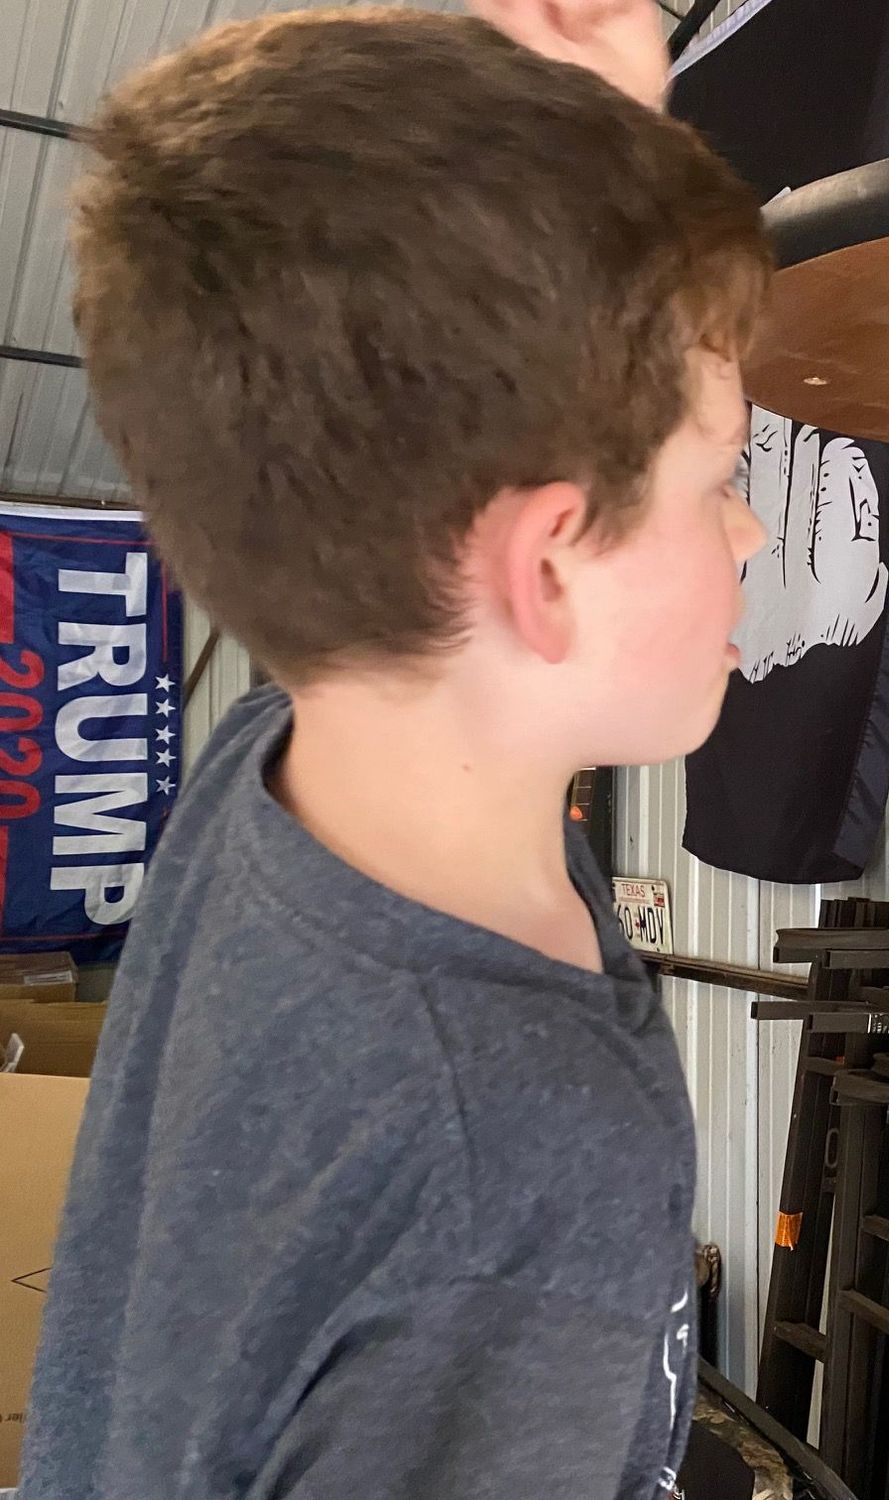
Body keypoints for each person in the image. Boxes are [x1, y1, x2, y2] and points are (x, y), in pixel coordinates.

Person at [19, 2, 767, 1495]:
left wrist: (580, 140)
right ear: (545, 569)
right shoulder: (517, 1164)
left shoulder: (279, 770)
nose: (747, 534)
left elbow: (339, 327)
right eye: (718, 483)